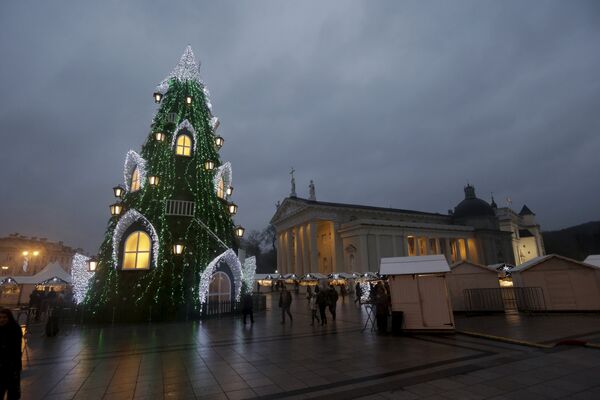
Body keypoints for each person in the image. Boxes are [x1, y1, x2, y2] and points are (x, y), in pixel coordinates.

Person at [0, 308, 22, 400]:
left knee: (12, 392)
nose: (1, 320)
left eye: (4, 317)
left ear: (9, 318)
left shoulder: (15, 329)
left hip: (11, 366)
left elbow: (15, 351)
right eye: (0, 317)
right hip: (1, 365)